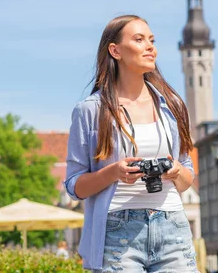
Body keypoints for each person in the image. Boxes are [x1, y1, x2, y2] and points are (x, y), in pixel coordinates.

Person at [64, 15, 198, 272]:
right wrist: (114, 172)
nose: (150, 47)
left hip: (173, 227)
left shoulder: (173, 106)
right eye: (139, 39)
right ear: (115, 51)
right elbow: (74, 186)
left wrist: (176, 171)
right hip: (116, 231)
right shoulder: (90, 111)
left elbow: (186, 175)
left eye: (152, 40)